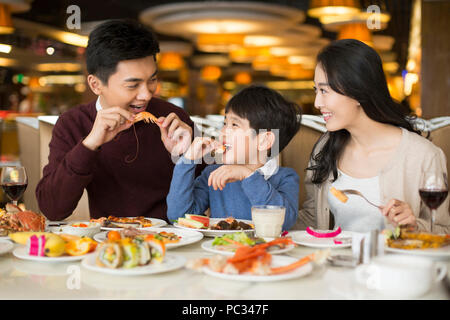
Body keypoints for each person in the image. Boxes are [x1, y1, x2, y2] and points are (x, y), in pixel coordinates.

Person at [36, 20, 195, 221]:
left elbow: (211, 192)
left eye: (152, 80)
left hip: (175, 241)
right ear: (95, 85)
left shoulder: (174, 117)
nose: (146, 95)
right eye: (132, 85)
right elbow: (52, 208)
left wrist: (187, 156)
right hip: (108, 243)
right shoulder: (73, 124)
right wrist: (90, 144)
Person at [298, 39, 449, 233]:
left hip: (395, 263)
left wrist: (413, 226)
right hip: (337, 262)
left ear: (357, 91)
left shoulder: (424, 156)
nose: (317, 102)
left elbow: (444, 231)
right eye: (316, 90)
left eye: (324, 91)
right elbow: (311, 219)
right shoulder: (325, 147)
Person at [167, 85, 302, 231]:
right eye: (224, 123)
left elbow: (285, 221)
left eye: (234, 125)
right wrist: (187, 160)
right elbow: (179, 217)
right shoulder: (213, 174)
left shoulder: (285, 177)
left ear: (264, 141)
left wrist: (248, 175)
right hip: (219, 251)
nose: (223, 132)